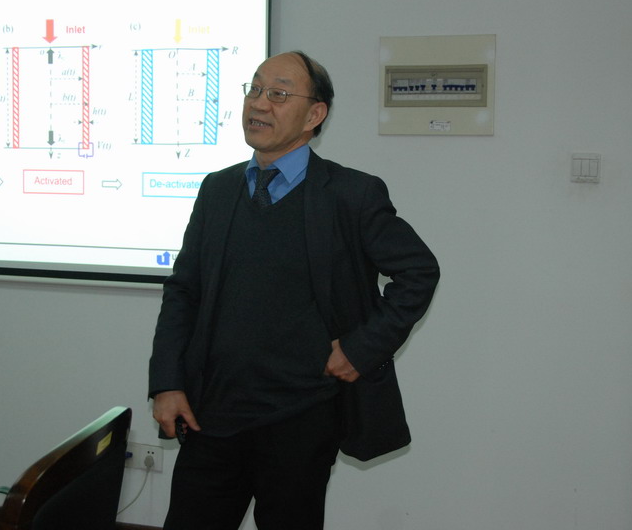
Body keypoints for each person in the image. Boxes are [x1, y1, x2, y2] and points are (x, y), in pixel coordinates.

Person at [148, 50, 439, 530]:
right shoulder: (217, 190)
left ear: (314, 114)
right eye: (255, 89)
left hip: (302, 418)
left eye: (278, 94)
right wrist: (167, 382)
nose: (259, 103)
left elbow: (419, 272)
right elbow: (183, 291)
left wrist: (361, 349)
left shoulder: (351, 195)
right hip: (212, 412)